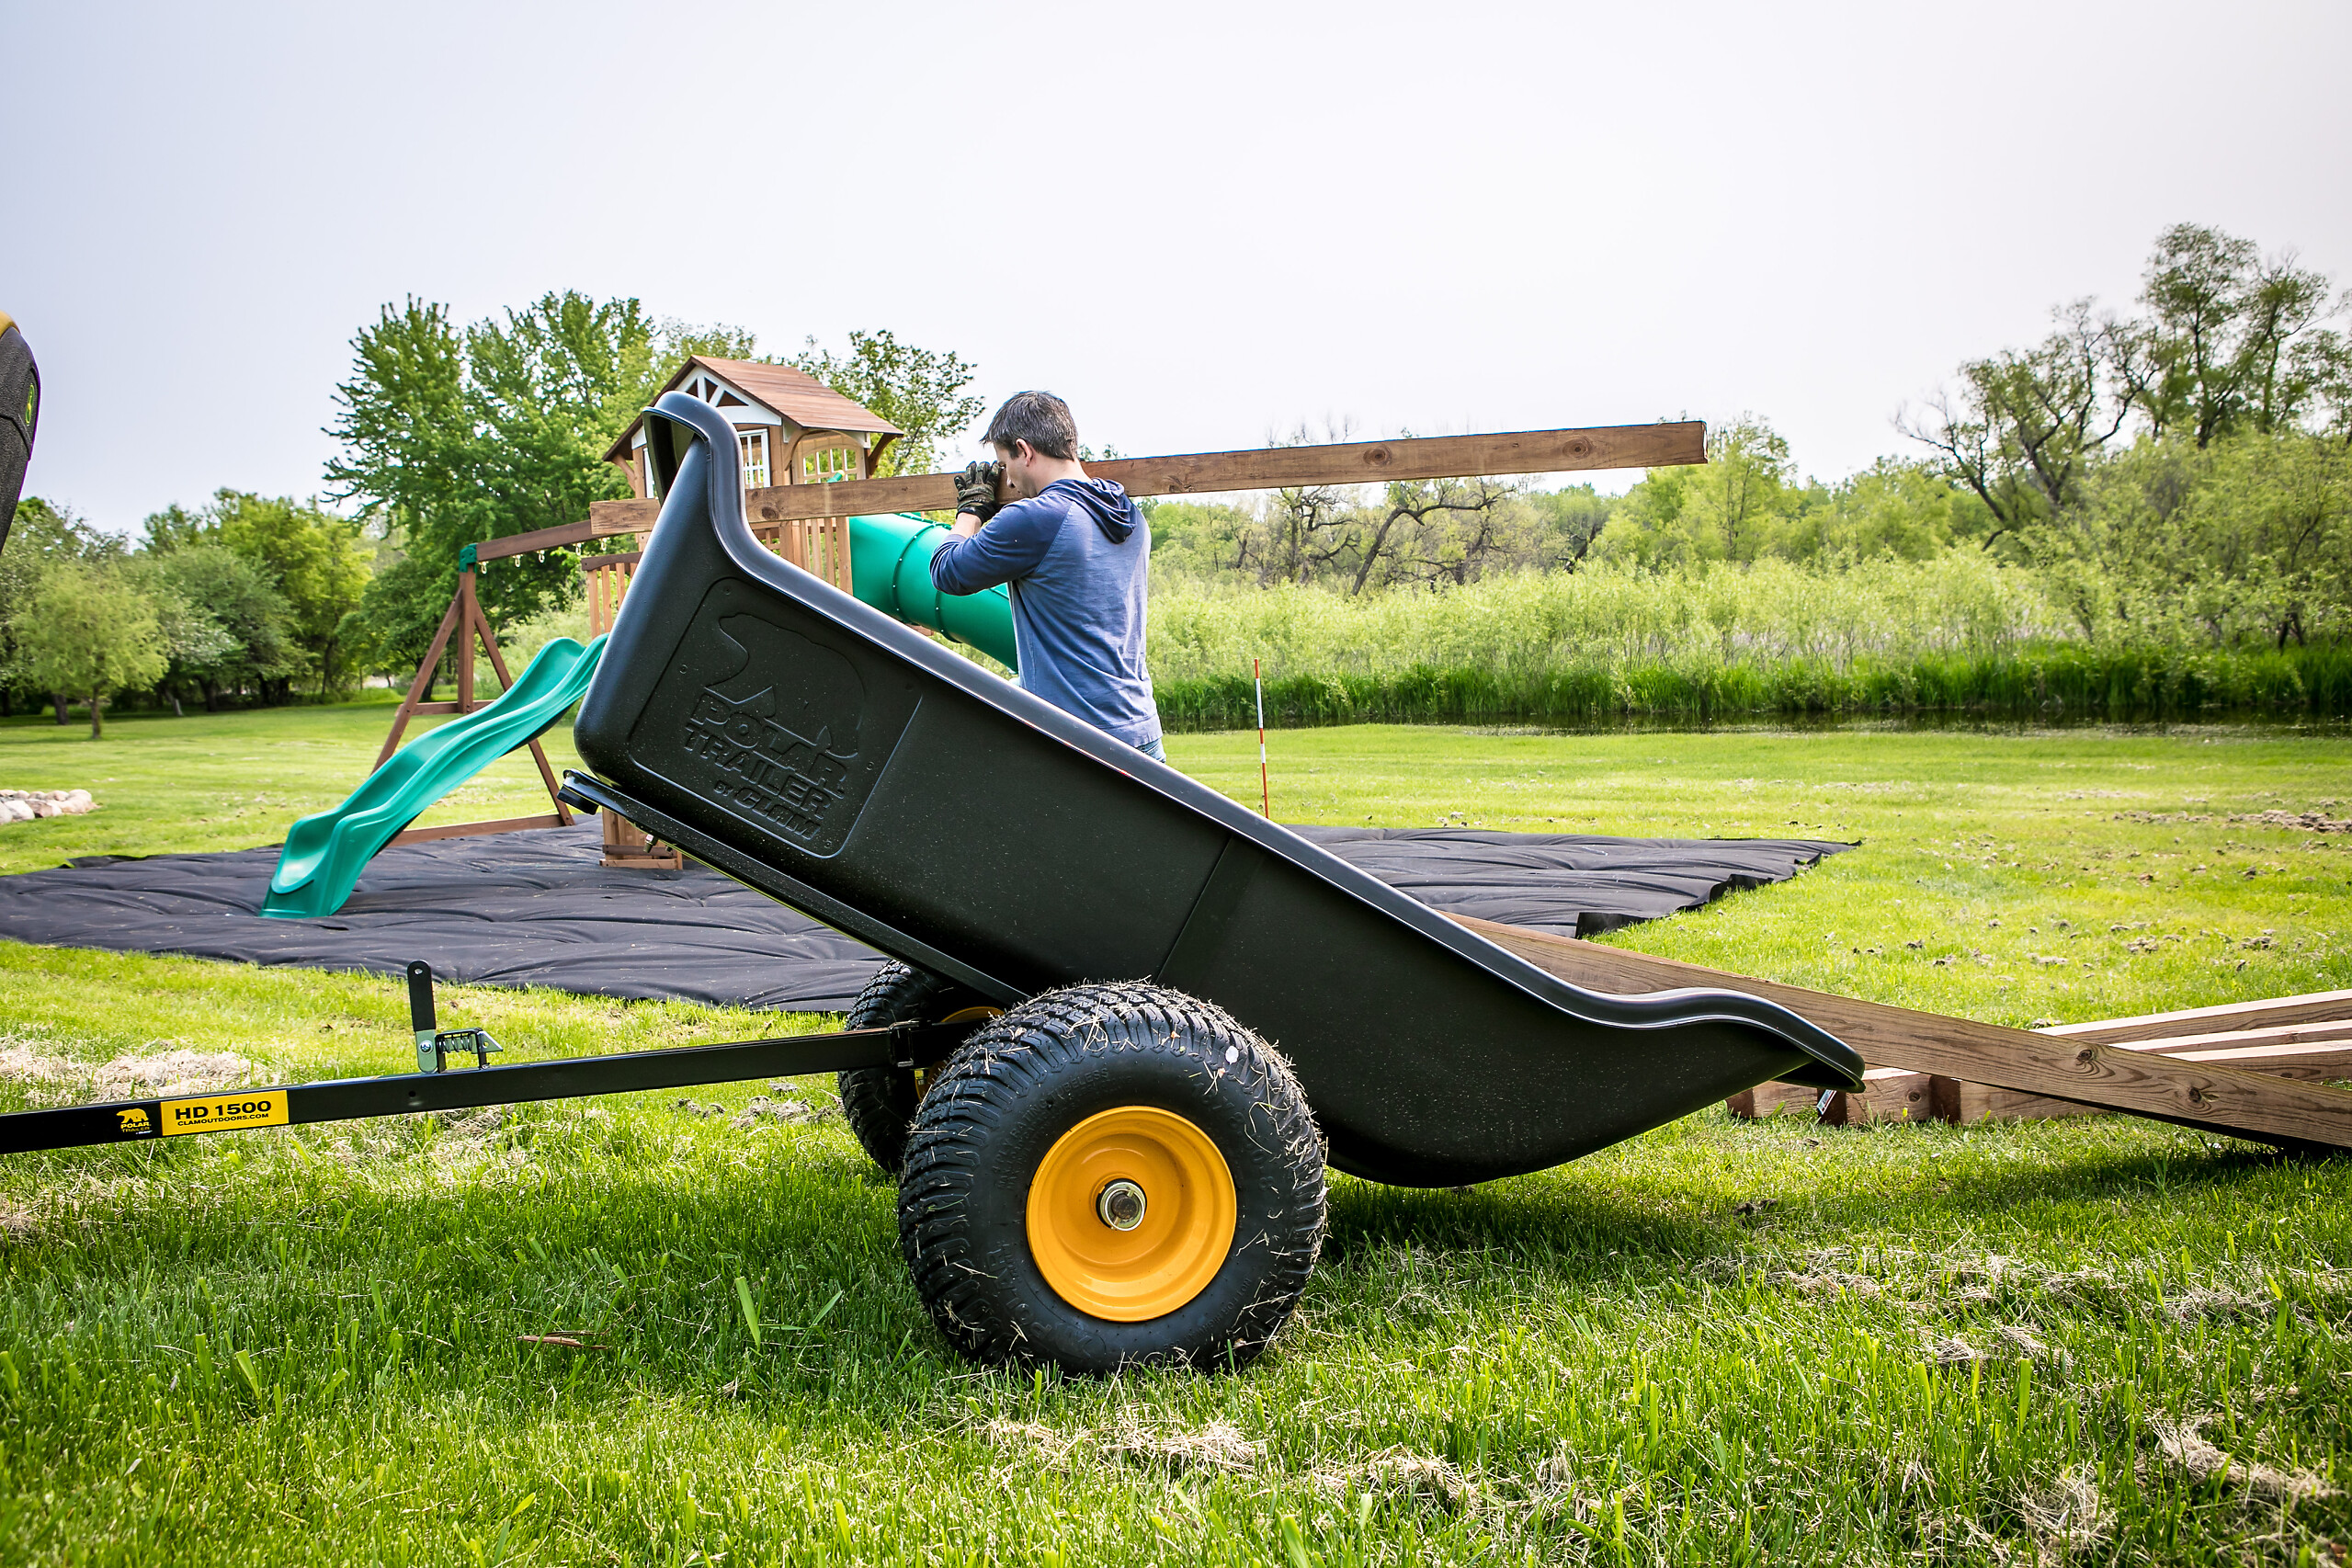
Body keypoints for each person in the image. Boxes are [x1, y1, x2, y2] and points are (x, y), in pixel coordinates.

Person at [930, 391, 1165, 759]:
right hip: (1141, 729)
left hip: (1080, 742)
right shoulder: (1126, 512)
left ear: (1024, 451)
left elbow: (947, 571)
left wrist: (971, 512)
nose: (1008, 482)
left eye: (1005, 464)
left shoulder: (1038, 517)